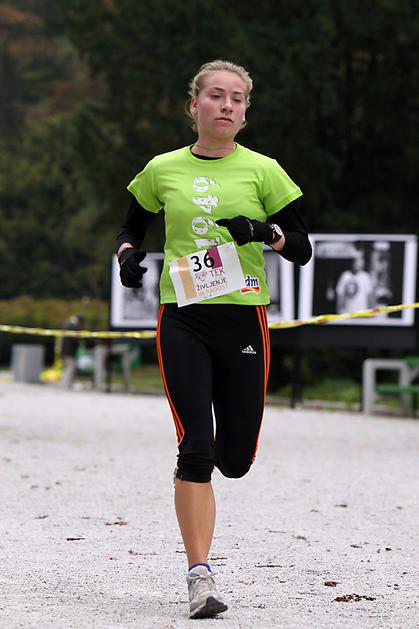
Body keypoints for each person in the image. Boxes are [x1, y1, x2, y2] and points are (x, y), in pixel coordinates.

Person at [115, 60, 312, 619]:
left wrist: (264, 232)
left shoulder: (264, 171)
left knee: (236, 458)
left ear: (245, 113)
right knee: (196, 445)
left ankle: (220, 461)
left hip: (243, 319)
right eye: (216, 96)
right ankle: (199, 576)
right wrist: (127, 255)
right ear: (194, 105)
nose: (227, 105)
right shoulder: (162, 169)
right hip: (183, 317)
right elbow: (131, 227)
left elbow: (301, 246)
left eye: (237, 99)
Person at [60, 314, 85, 389]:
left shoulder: (67, 324)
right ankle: (66, 385)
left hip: (65, 351)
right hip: (69, 352)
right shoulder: (73, 326)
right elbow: (76, 339)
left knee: (67, 368)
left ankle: (65, 384)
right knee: (70, 369)